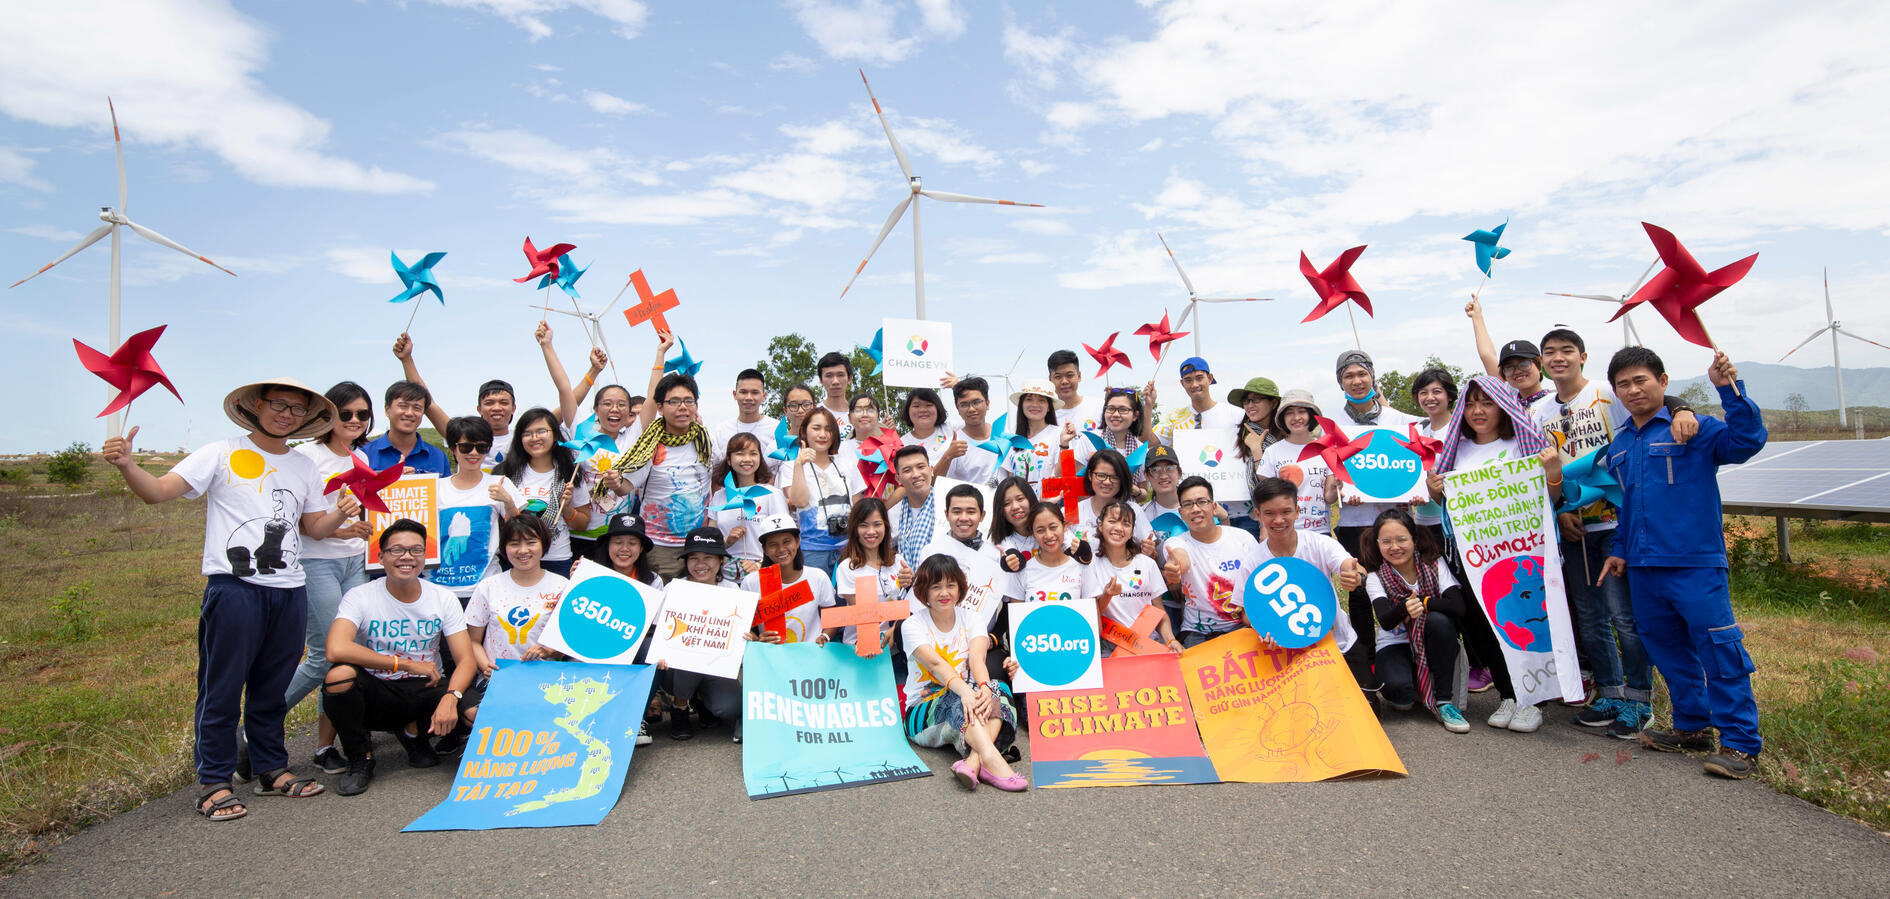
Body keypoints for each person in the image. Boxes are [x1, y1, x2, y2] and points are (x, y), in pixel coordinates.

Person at [103, 376, 354, 821]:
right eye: (279, 404)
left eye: (297, 410)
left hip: (289, 590)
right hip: (234, 589)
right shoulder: (220, 452)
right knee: (221, 687)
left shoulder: (303, 467)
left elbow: (313, 528)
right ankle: (214, 781)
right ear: (256, 406)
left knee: (271, 689)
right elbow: (157, 493)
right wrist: (127, 465)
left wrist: (342, 511)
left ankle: (270, 769)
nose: (287, 415)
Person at [1600, 348, 1767, 779]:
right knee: (1667, 649)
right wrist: (1619, 549)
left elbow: (1747, 442)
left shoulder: (1693, 429)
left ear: (1663, 381)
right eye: (1623, 384)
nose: (1633, 390)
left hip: (1695, 564)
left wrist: (1728, 388)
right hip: (1642, 567)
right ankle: (1693, 726)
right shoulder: (1620, 443)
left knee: (1719, 648)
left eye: (1641, 380)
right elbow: (1629, 505)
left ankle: (1740, 743)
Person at [1537, 326, 1697, 735]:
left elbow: (1655, 406)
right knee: (1590, 617)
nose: (1559, 358)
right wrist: (1558, 513)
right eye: (1550, 352)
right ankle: (1609, 692)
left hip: (1619, 523)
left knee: (1624, 617)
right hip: (1575, 527)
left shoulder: (1609, 394)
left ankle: (1639, 700)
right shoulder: (1540, 413)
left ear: (1583, 356)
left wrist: (1683, 410)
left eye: (1567, 351)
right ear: (1543, 363)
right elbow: (1543, 473)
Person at [1430, 374, 1563, 733]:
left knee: (1528, 623)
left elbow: (1549, 501)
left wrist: (1552, 475)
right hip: (1474, 559)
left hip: (1522, 558)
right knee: (1485, 624)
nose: (1477, 411)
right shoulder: (1457, 450)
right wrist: (1434, 489)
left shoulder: (1525, 445)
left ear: (1504, 407)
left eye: (1486, 402)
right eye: (1470, 404)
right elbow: (1449, 505)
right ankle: (1509, 693)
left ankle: (1535, 699)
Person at [322, 520, 478, 796]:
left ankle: (414, 735)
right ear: (380, 557)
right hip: (377, 691)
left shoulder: (442, 598)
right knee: (339, 677)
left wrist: (451, 697)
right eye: (397, 550)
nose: (407, 556)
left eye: (416, 549)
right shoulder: (360, 596)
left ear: (425, 557)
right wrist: (403, 663)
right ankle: (360, 759)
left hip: (425, 688)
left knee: (473, 712)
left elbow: (466, 659)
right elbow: (335, 649)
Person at [287, 381, 376, 776]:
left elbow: (366, 510)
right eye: (346, 414)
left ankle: (325, 746)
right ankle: (257, 723)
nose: (355, 420)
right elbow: (307, 526)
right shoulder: (306, 456)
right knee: (326, 653)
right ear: (328, 416)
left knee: (346, 653)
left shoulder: (361, 456)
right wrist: (341, 523)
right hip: (316, 562)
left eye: (362, 414)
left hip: (355, 563)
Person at [1331, 349, 1419, 688]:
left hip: (1394, 521)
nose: (1356, 381)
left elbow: (1416, 466)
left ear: (1372, 376)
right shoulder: (1336, 425)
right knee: (1359, 591)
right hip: (1355, 520)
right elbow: (1332, 470)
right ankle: (1366, 657)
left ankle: (1407, 651)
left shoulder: (1399, 421)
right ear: (1340, 382)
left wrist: (1416, 487)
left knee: (1398, 585)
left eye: (1361, 374)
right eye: (1348, 376)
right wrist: (1340, 485)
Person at [900, 555, 1025, 792]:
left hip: (965, 698)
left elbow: (977, 658)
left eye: (950, 585)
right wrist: (968, 692)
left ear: (960, 587)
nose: (944, 592)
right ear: (923, 592)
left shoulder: (972, 618)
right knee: (957, 697)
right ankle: (994, 762)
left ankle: (974, 761)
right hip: (922, 710)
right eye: (935, 587)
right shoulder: (913, 625)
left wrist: (985, 688)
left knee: (1001, 689)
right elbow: (936, 665)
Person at [393, 321, 590, 467]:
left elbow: (568, 403)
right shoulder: (462, 435)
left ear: (513, 408)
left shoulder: (524, 437)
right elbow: (428, 404)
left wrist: (593, 373)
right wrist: (407, 359)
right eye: (489, 402)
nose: (497, 407)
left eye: (504, 402)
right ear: (479, 409)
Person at [607, 333, 713, 580]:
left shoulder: (706, 440)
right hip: (660, 546)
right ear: (660, 407)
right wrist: (615, 483)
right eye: (674, 401)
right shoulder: (649, 444)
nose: (683, 407)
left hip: (698, 545)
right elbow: (626, 487)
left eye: (689, 401)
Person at [1360, 507, 1470, 732]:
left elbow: (1458, 607)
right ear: (1377, 543)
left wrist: (1424, 602)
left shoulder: (1434, 564)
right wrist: (1404, 607)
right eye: (1386, 541)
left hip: (1433, 640)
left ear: (1414, 539)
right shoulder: (1375, 575)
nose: (1395, 547)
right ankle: (1417, 682)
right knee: (1399, 693)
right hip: (1395, 642)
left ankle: (1444, 701)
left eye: (1401, 539)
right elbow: (1386, 620)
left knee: (1438, 620)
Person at [1246, 477, 1363, 665]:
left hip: (1339, 646)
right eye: (1269, 513)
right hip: (1288, 655)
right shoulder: (1252, 561)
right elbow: (1245, 611)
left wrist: (1355, 575)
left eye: (1286, 512)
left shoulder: (1320, 543)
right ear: (1258, 516)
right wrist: (1262, 627)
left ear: (1297, 512)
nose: (1278, 520)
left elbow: (1349, 565)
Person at [664, 526, 747, 742]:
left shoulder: (733, 591)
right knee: (691, 646)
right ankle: (679, 707)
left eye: (708, 557)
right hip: (676, 669)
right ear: (686, 561)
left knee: (730, 707)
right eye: (694, 558)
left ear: (721, 560)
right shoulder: (674, 589)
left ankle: (700, 698)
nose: (701, 565)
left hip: (715, 666)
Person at [431, 417, 524, 604]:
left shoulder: (500, 483)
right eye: (466, 447)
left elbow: (520, 528)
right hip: (439, 589)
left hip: (486, 587)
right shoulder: (434, 487)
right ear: (452, 449)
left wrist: (508, 501)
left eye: (481, 447)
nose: (474, 453)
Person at [1159, 476, 1261, 646]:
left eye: (1202, 502)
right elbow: (1179, 558)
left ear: (1214, 507)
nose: (1195, 509)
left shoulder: (1243, 539)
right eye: (1188, 504)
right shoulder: (1177, 542)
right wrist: (1175, 568)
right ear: (1181, 513)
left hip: (1243, 628)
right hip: (1197, 634)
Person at [464, 514, 568, 673]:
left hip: (546, 679)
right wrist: (485, 666)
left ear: (544, 544)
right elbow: (473, 640)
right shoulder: (488, 586)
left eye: (531, 542)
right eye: (514, 544)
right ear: (504, 547)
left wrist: (547, 652)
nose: (523, 550)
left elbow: (569, 642)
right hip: (497, 678)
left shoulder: (562, 586)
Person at [494, 407, 590, 577]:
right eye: (527, 433)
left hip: (556, 559)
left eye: (541, 431)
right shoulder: (505, 472)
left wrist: (566, 509)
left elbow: (582, 524)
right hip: (516, 557)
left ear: (554, 435)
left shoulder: (570, 472)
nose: (534, 438)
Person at [1081, 500, 1183, 655]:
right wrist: (1107, 595)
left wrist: (1171, 640)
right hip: (1111, 652)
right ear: (1100, 526)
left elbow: (1158, 611)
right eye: (1112, 521)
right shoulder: (1090, 565)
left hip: (1149, 648)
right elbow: (1093, 617)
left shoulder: (1147, 564)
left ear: (1132, 530)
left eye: (1126, 524)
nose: (1118, 528)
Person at [786, 406, 863, 577]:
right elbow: (799, 501)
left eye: (829, 429)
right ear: (804, 431)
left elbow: (858, 505)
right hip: (812, 551)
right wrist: (799, 465)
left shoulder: (847, 464)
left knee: (847, 600)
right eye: (816, 428)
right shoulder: (792, 465)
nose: (823, 434)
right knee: (816, 600)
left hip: (847, 548)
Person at [739, 513, 839, 644]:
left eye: (787, 541)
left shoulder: (818, 577)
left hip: (810, 656)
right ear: (764, 549)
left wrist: (825, 637)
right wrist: (758, 640)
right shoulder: (751, 582)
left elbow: (831, 618)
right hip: (770, 658)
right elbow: (742, 624)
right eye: (773, 544)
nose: (781, 549)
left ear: (797, 542)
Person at [1254, 389, 1339, 536]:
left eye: (1302, 412)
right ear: (1283, 419)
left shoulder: (1327, 450)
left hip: (1319, 531)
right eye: (1289, 413)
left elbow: (1329, 498)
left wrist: (1335, 487)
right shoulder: (1272, 452)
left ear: (1311, 416)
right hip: (1284, 531)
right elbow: (1266, 496)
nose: (1296, 417)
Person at [568, 383, 641, 553]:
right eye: (607, 403)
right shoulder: (582, 434)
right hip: (578, 534)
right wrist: (593, 372)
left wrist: (660, 356)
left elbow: (652, 397)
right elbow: (564, 389)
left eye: (622, 405)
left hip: (616, 537)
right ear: (595, 408)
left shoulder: (632, 439)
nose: (614, 409)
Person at [709, 432, 789, 576]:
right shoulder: (719, 496)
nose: (747, 459)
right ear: (729, 459)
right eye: (740, 454)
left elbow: (784, 538)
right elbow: (711, 540)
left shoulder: (772, 494)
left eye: (753, 454)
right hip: (725, 575)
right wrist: (727, 540)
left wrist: (760, 564)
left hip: (764, 572)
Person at [835, 498, 910, 647]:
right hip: (860, 648)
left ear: (886, 526)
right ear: (855, 529)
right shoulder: (847, 568)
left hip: (895, 646)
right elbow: (862, 614)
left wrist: (910, 585)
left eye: (877, 525)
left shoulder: (898, 561)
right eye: (864, 526)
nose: (871, 532)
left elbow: (908, 604)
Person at [1226, 377, 1284, 538]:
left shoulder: (1286, 436)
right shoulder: (1236, 434)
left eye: (1257, 400)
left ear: (1273, 403)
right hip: (1242, 513)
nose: (1250, 405)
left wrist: (1257, 450)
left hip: (1278, 515)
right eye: (1247, 401)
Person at [1066, 448, 1151, 550]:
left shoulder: (1134, 510)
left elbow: (1149, 549)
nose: (1107, 482)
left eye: (1114, 477)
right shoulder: (1072, 510)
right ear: (1089, 475)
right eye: (1101, 475)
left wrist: (1150, 551)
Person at [363, 380, 450, 477]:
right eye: (403, 406)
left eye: (417, 408)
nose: (409, 413)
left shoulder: (439, 457)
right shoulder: (363, 454)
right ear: (387, 410)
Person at [1071, 387, 1152, 490]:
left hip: (1127, 505)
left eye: (1123, 410)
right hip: (1093, 504)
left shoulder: (1141, 451)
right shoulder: (1089, 440)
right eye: (1111, 409)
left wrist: (1134, 490)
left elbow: (1143, 493)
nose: (1116, 414)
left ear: (1135, 415)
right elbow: (1076, 482)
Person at [1155, 356, 1244, 441]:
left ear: (1209, 378)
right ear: (1182, 383)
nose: (1194, 385)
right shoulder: (1174, 418)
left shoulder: (1237, 415)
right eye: (1188, 380)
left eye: (1199, 378)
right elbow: (1147, 441)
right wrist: (1148, 405)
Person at [1012, 503, 1086, 602]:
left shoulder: (1081, 568)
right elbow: (1016, 614)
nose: (1048, 535)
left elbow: (1092, 611)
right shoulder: (1023, 571)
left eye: (1053, 527)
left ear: (1064, 527)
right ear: (1033, 534)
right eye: (1040, 530)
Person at [709, 368, 780, 473]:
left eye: (755, 392)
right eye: (743, 392)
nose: (748, 397)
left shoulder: (776, 429)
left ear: (764, 396)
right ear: (735, 394)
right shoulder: (722, 430)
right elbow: (716, 470)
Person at [999, 379, 1062, 491]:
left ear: (1049, 407)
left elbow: (1061, 475)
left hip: (1047, 505)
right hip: (1019, 507)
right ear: (1021, 404)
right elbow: (1008, 479)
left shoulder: (1059, 435)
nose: (1034, 405)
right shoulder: (1012, 440)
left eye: (1041, 400)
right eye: (1029, 399)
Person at [887, 445, 942, 570]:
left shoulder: (948, 506)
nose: (916, 474)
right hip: (908, 586)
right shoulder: (893, 514)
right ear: (898, 479)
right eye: (907, 470)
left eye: (921, 467)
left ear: (931, 470)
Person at [947, 377, 1004, 486]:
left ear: (987, 404)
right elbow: (935, 483)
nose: (971, 409)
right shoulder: (953, 445)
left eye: (976, 402)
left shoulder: (1004, 435)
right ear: (957, 409)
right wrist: (948, 456)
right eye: (964, 405)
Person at [1047, 349, 1104, 432]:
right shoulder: (1046, 415)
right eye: (1058, 377)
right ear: (1050, 380)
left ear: (1079, 376)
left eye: (1069, 375)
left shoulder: (1100, 406)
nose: (1064, 382)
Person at [815, 351, 856, 439]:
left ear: (849, 378)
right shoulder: (813, 414)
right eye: (829, 376)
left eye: (840, 375)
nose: (835, 381)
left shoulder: (860, 415)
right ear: (821, 380)